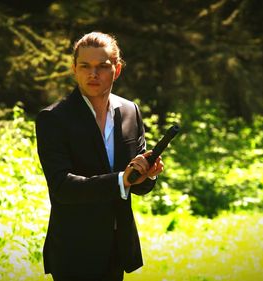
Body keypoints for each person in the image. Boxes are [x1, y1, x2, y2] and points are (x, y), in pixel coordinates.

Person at [35, 31, 164, 281]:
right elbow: (61, 187)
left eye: (102, 67)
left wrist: (147, 175)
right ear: (74, 69)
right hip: (75, 250)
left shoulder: (130, 111)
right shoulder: (53, 119)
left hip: (118, 247)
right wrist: (121, 180)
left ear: (116, 70)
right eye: (85, 66)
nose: (93, 74)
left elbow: (138, 187)